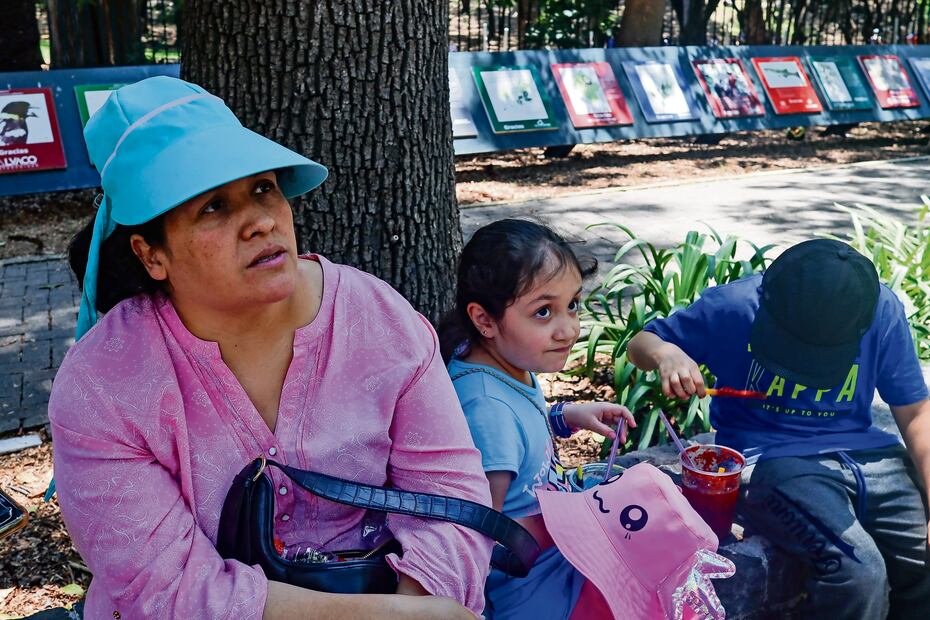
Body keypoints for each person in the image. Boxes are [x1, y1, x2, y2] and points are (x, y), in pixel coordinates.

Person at [48, 76, 492, 620]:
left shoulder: (378, 318)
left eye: (263, 188)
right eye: (212, 207)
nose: (261, 221)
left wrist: (422, 603)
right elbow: (166, 590)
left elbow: (451, 500)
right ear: (151, 255)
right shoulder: (104, 384)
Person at [627, 239, 930, 620]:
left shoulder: (877, 309)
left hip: (868, 456)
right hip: (774, 459)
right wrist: (666, 353)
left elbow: (917, 412)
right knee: (858, 572)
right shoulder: (736, 306)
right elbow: (641, 344)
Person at [438, 219, 637, 619]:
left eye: (573, 305)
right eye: (544, 312)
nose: (569, 329)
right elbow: (482, 533)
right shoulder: (486, 408)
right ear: (485, 320)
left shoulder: (499, 364)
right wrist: (570, 519)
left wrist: (564, 416)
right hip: (530, 588)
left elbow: (515, 433)